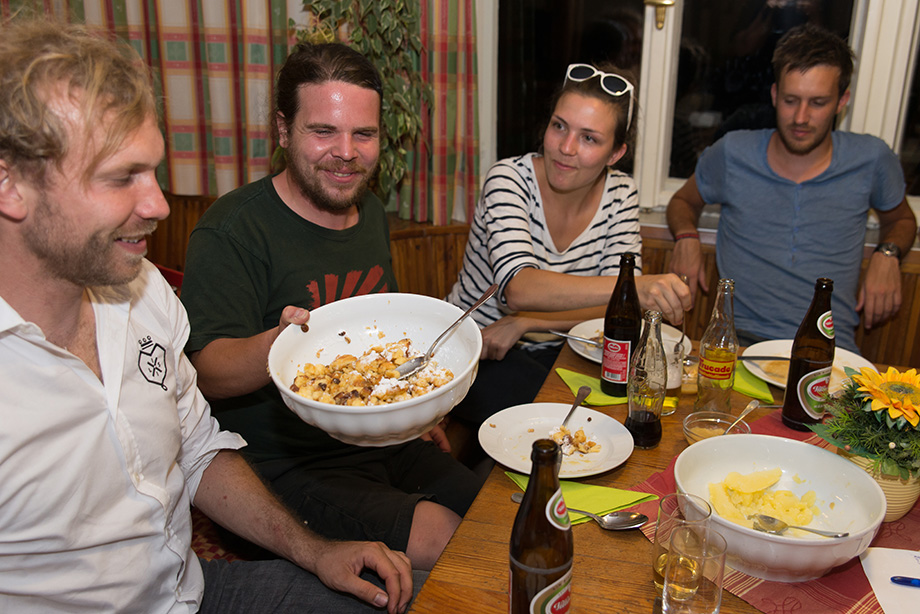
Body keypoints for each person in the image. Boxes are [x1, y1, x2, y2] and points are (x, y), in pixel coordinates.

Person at [0, 18, 413, 614]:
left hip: (190, 593)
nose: (158, 205)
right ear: (11, 184)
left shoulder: (143, 294)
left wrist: (314, 550)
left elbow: (197, 450)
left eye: (153, 171)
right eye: (121, 178)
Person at [179, 42, 482, 573]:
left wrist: (406, 413)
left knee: (498, 513)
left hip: (374, 437)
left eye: (363, 134)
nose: (347, 152)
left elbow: (376, 340)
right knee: (451, 542)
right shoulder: (232, 230)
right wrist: (281, 345)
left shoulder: (369, 215)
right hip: (283, 462)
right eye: (323, 131)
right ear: (282, 130)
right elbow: (206, 374)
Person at [446, 62, 691, 426]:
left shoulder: (621, 193)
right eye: (559, 126)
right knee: (568, 429)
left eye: (589, 138)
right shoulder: (509, 178)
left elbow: (615, 312)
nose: (565, 147)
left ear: (615, 154)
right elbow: (519, 288)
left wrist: (525, 322)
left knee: (626, 418)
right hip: (474, 351)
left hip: (560, 352)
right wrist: (635, 287)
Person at [667, 23, 917, 354]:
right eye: (790, 100)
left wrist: (888, 254)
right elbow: (683, 201)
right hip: (739, 346)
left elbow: (902, 221)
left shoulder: (871, 158)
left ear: (842, 100)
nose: (800, 117)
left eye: (817, 102)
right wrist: (686, 237)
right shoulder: (732, 153)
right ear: (774, 95)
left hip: (830, 349)